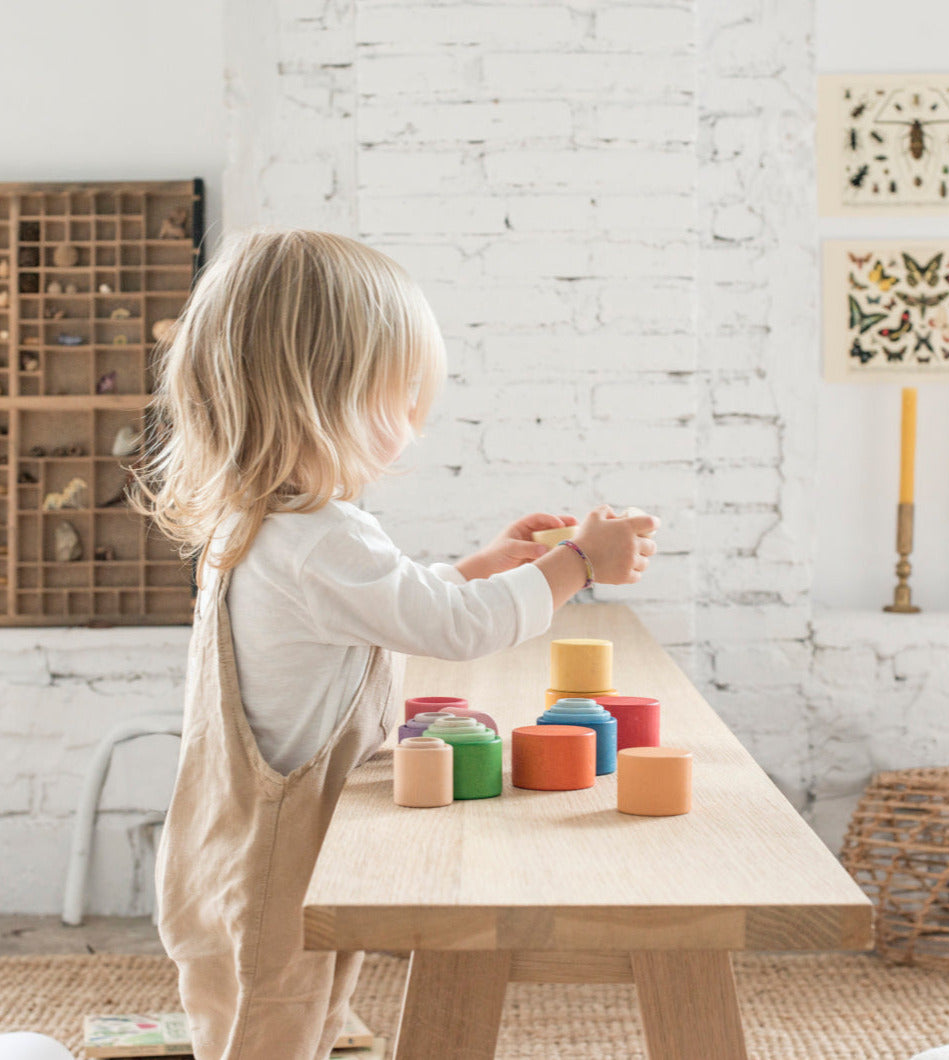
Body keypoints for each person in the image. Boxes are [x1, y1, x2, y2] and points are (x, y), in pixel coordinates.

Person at [133, 228, 658, 1060]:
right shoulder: (322, 537)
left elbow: (395, 606)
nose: (414, 428)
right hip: (276, 847)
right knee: (279, 1015)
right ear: (324, 396)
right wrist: (576, 564)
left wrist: (481, 565)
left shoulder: (263, 525)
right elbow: (459, 630)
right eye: (402, 400)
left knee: (262, 1011)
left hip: (232, 832)